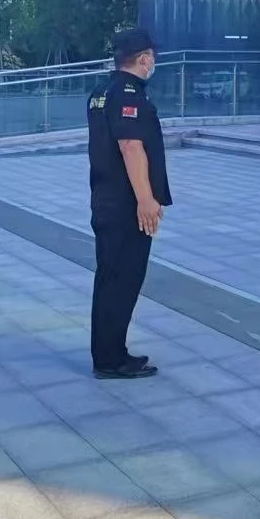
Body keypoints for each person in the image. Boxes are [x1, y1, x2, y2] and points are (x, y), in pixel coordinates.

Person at [85, 28, 170, 380]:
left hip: (107, 200)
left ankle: (110, 352)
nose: (154, 61)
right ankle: (110, 360)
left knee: (110, 280)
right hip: (126, 206)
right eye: (152, 55)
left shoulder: (101, 91)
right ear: (144, 58)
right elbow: (131, 147)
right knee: (122, 281)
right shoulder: (127, 93)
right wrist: (146, 199)